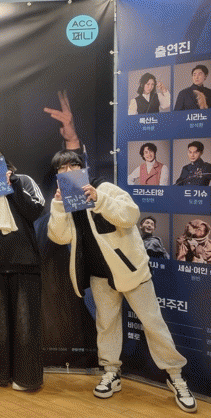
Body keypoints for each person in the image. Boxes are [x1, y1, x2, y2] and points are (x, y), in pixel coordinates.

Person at [47, 150, 197, 413]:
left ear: (83, 168)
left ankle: (176, 376)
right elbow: (59, 237)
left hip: (130, 271)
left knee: (153, 323)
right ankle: (111, 372)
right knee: (107, 325)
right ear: (58, 174)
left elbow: (130, 215)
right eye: (62, 168)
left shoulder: (104, 188)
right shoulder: (65, 200)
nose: (68, 171)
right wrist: (58, 205)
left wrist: (99, 199)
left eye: (74, 165)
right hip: (99, 274)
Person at [0, 141, 45, 391]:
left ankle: (27, 377)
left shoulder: (22, 180)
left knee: (26, 324)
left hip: (25, 262)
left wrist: (12, 186)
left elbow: (36, 210)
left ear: (2, 158)